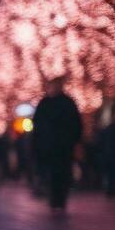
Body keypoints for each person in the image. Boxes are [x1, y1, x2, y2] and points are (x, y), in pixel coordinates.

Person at [32, 77, 83, 211]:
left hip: (62, 146)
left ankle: (59, 199)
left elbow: (76, 125)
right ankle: (55, 199)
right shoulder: (48, 103)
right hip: (52, 146)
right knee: (54, 174)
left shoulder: (64, 103)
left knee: (62, 174)